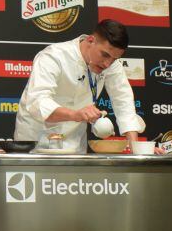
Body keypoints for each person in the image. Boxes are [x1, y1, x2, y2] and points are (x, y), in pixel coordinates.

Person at [14, 19, 146, 152]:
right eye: (105, 55)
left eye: (114, 59)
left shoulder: (111, 65)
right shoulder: (54, 56)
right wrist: (75, 115)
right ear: (90, 40)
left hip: (74, 145)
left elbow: (123, 102)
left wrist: (136, 149)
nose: (107, 64)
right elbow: (37, 102)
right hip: (36, 141)